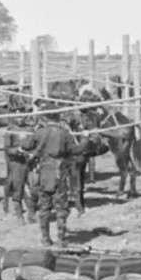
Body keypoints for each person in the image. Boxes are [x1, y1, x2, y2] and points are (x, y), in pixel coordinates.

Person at [20, 104, 89, 247]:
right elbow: (75, 150)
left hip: (44, 173)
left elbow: (26, 145)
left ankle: (45, 238)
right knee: (61, 207)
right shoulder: (64, 133)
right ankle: (61, 238)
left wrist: (26, 136)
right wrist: (85, 139)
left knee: (44, 206)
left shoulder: (40, 132)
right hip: (59, 173)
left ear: (44, 118)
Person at [4, 112, 38, 224]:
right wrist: (16, 150)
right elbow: (7, 148)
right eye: (17, 116)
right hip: (17, 163)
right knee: (18, 188)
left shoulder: (30, 129)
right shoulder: (11, 129)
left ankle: (32, 214)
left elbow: (37, 145)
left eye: (21, 116)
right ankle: (19, 215)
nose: (19, 119)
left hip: (29, 162)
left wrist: (33, 154)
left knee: (33, 188)